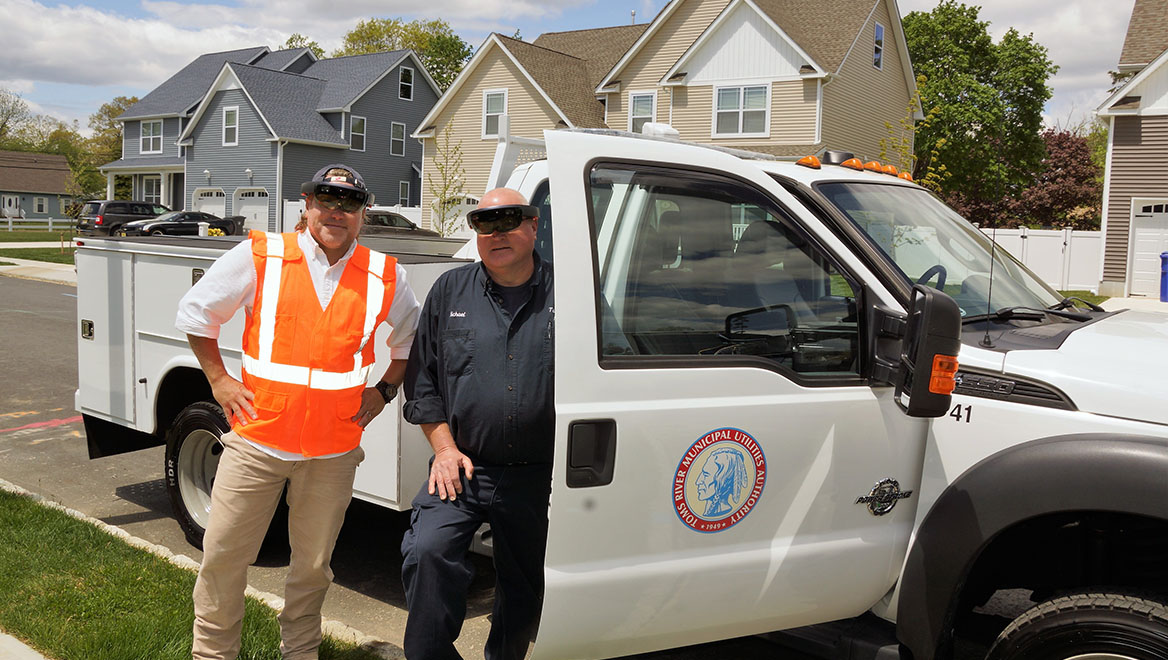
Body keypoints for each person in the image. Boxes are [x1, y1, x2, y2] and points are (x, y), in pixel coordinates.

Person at [175, 163, 420, 660]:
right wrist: (220, 380)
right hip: (257, 443)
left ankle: (300, 653)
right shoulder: (262, 254)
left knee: (312, 566)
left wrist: (385, 390)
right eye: (325, 199)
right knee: (223, 557)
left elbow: (411, 340)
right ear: (305, 205)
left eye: (349, 203)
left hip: (332, 451)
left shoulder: (383, 273)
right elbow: (197, 313)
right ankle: (214, 655)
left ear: (363, 214)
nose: (336, 211)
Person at [400, 187, 555, 660]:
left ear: (533, 225)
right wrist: (444, 449)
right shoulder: (450, 290)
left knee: (525, 585)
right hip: (463, 465)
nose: (497, 232)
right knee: (427, 551)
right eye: (484, 223)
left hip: (538, 473)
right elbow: (421, 382)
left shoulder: (570, 293)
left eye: (509, 220)